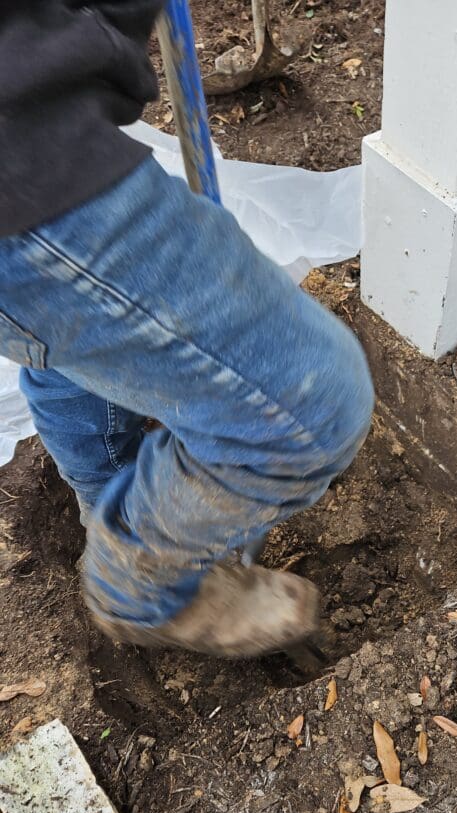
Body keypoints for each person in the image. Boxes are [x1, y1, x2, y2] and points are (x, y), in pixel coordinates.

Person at [0, 2, 374, 658]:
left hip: (31, 129)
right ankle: (135, 583)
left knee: (71, 339)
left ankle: (113, 510)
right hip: (24, 157)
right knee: (314, 407)